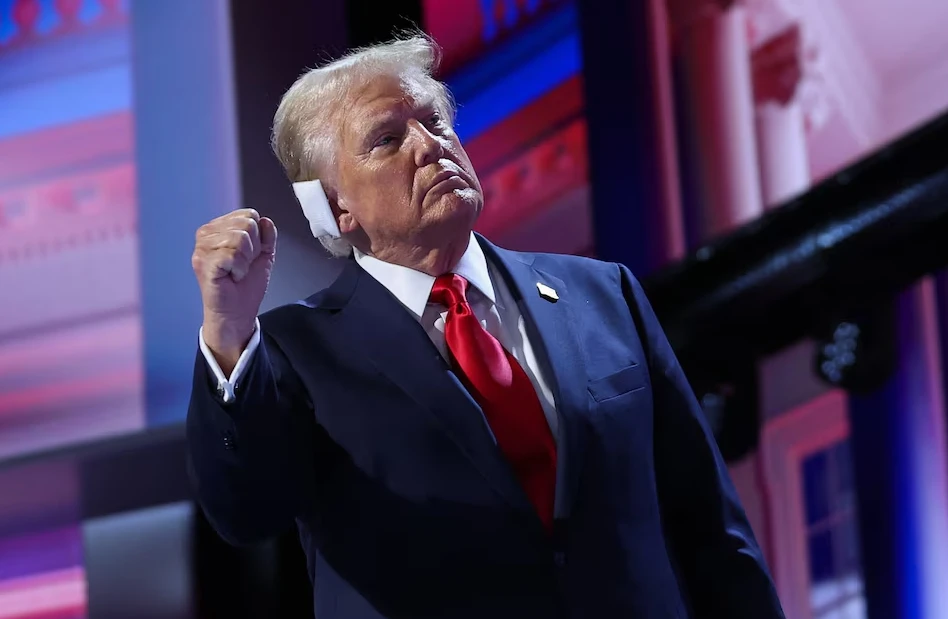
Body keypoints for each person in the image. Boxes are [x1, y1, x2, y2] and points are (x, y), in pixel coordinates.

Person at [187, 34, 786, 619]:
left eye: (435, 123)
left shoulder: (604, 294)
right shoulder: (297, 350)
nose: (430, 147)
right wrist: (228, 327)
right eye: (388, 139)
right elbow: (246, 513)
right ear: (336, 208)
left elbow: (709, 525)